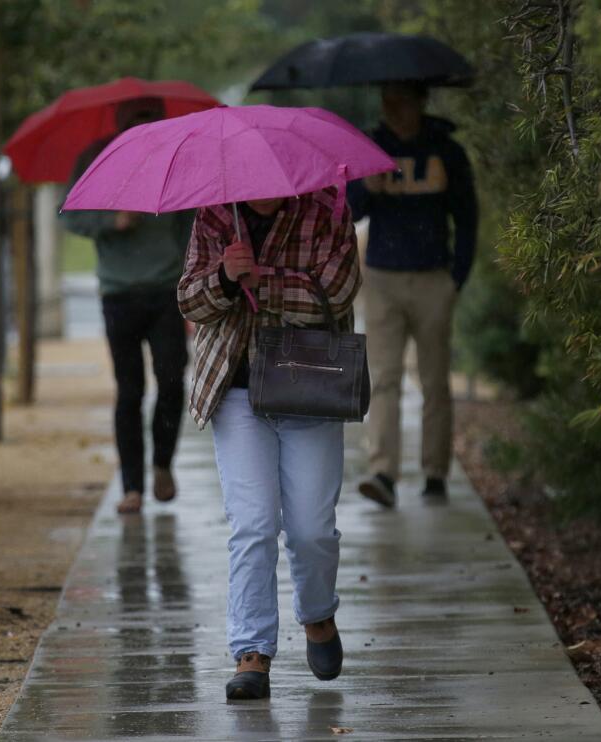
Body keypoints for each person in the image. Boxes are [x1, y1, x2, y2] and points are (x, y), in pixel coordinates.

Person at [177, 188, 360, 701]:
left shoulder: (329, 212)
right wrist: (224, 278)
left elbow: (339, 292)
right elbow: (188, 298)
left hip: (311, 387)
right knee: (253, 523)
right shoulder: (214, 214)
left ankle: (318, 614)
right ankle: (251, 651)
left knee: (311, 530)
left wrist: (266, 283)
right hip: (235, 391)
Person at [347, 82, 478, 507]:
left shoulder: (447, 151)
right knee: (383, 379)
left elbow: (468, 215)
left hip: (433, 278)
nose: (392, 111)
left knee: (434, 381)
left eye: (400, 103)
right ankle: (382, 473)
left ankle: (435, 473)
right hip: (383, 278)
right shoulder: (371, 147)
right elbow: (349, 211)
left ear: (420, 102)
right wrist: (370, 186)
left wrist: (456, 276)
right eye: (386, 103)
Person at [60, 98, 193, 515]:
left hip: (167, 288)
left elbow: (192, 221)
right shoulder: (95, 158)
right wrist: (110, 222)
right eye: (137, 117)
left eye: (153, 116)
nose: (145, 124)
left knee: (172, 382)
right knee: (130, 390)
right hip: (118, 292)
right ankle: (131, 487)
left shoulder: (176, 157)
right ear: (119, 120)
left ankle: (162, 465)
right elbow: (68, 214)